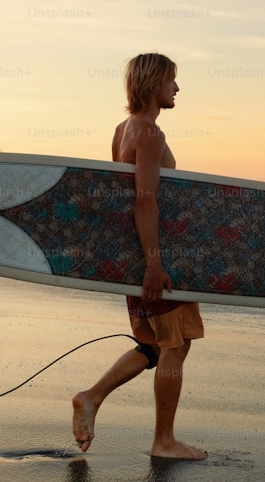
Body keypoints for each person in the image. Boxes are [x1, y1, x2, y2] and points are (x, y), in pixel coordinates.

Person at [71, 53, 207, 460]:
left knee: (155, 345)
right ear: (153, 84)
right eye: (172, 81)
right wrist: (154, 264)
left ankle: (92, 397)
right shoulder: (148, 133)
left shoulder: (123, 129)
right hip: (151, 255)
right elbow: (144, 202)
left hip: (135, 253)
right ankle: (163, 441)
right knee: (174, 345)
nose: (177, 89)